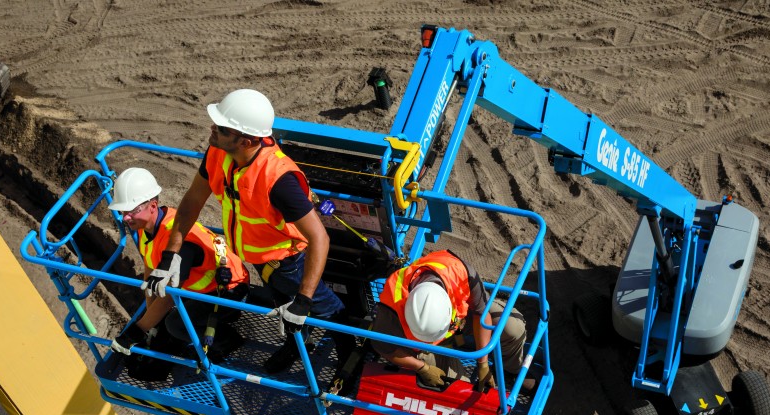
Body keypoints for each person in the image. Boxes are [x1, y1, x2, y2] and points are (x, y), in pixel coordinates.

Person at [143, 88, 346, 373]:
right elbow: (191, 202)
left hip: (291, 264)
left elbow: (319, 238)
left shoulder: (278, 180)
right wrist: (169, 257)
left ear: (247, 140)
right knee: (281, 305)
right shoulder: (218, 152)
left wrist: (303, 300)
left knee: (328, 312)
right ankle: (296, 344)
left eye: (222, 128)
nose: (212, 129)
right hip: (263, 263)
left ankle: (349, 355)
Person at [109, 167, 249, 364]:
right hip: (205, 288)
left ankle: (229, 341)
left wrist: (135, 333)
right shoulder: (145, 227)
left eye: (131, 211)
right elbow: (151, 272)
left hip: (230, 288)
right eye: (122, 211)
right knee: (164, 321)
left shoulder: (178, 239)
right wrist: (151, 320)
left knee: (175, 325)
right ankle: (221, 318)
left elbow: (169, 294)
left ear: (153, 205)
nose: (125, 217)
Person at [371, 249, 529, 392]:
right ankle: (453, 357)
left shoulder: (461, 272)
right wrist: (422, 368)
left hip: (459, 323)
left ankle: (511, 370)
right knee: (457, 388)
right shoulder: (390, 307)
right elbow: (384, 348)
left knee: (512, 327)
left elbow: (482, 315)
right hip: (426, 348)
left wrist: (483, 363)